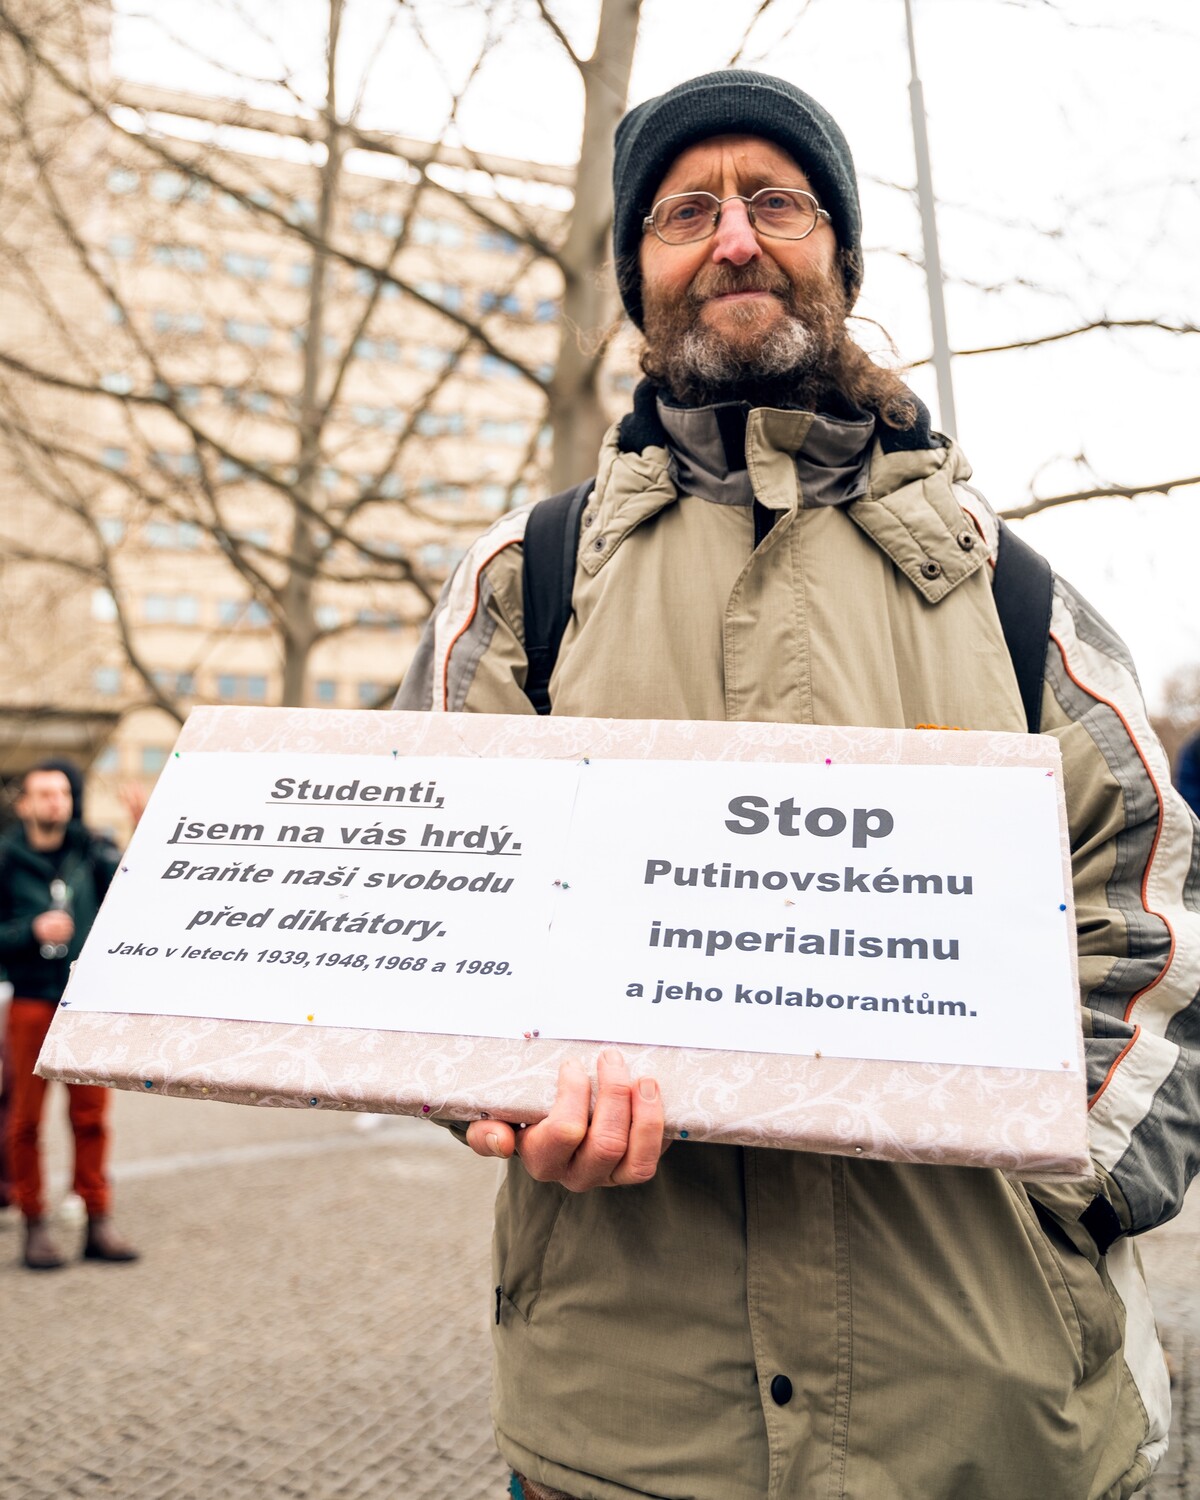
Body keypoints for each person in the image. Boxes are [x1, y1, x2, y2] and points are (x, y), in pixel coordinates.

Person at [396, 72, 1199, 1500]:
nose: (735, 241)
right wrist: (503, 1098)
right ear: (637, 273)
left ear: (842, 254)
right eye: (685, 211)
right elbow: (434, 941)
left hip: (985, 1423)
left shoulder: (1021, 602)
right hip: (627, 1430)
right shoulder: (522, 585)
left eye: (777, 201)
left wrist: (1047, 1183)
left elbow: (1160, 937)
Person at [0, 762, 138, 1270]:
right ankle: (34, 1224)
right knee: (25, 1121)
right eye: (43, 793)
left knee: (92, 1119)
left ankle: (97, 1218)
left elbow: (133, 894)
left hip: (85, 1005)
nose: (54, 802)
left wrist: (145, 836)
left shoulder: (91, 850)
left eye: (61, 793)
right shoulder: (7, 861)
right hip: (32, 1001)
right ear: (25, 804)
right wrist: (28, 931)